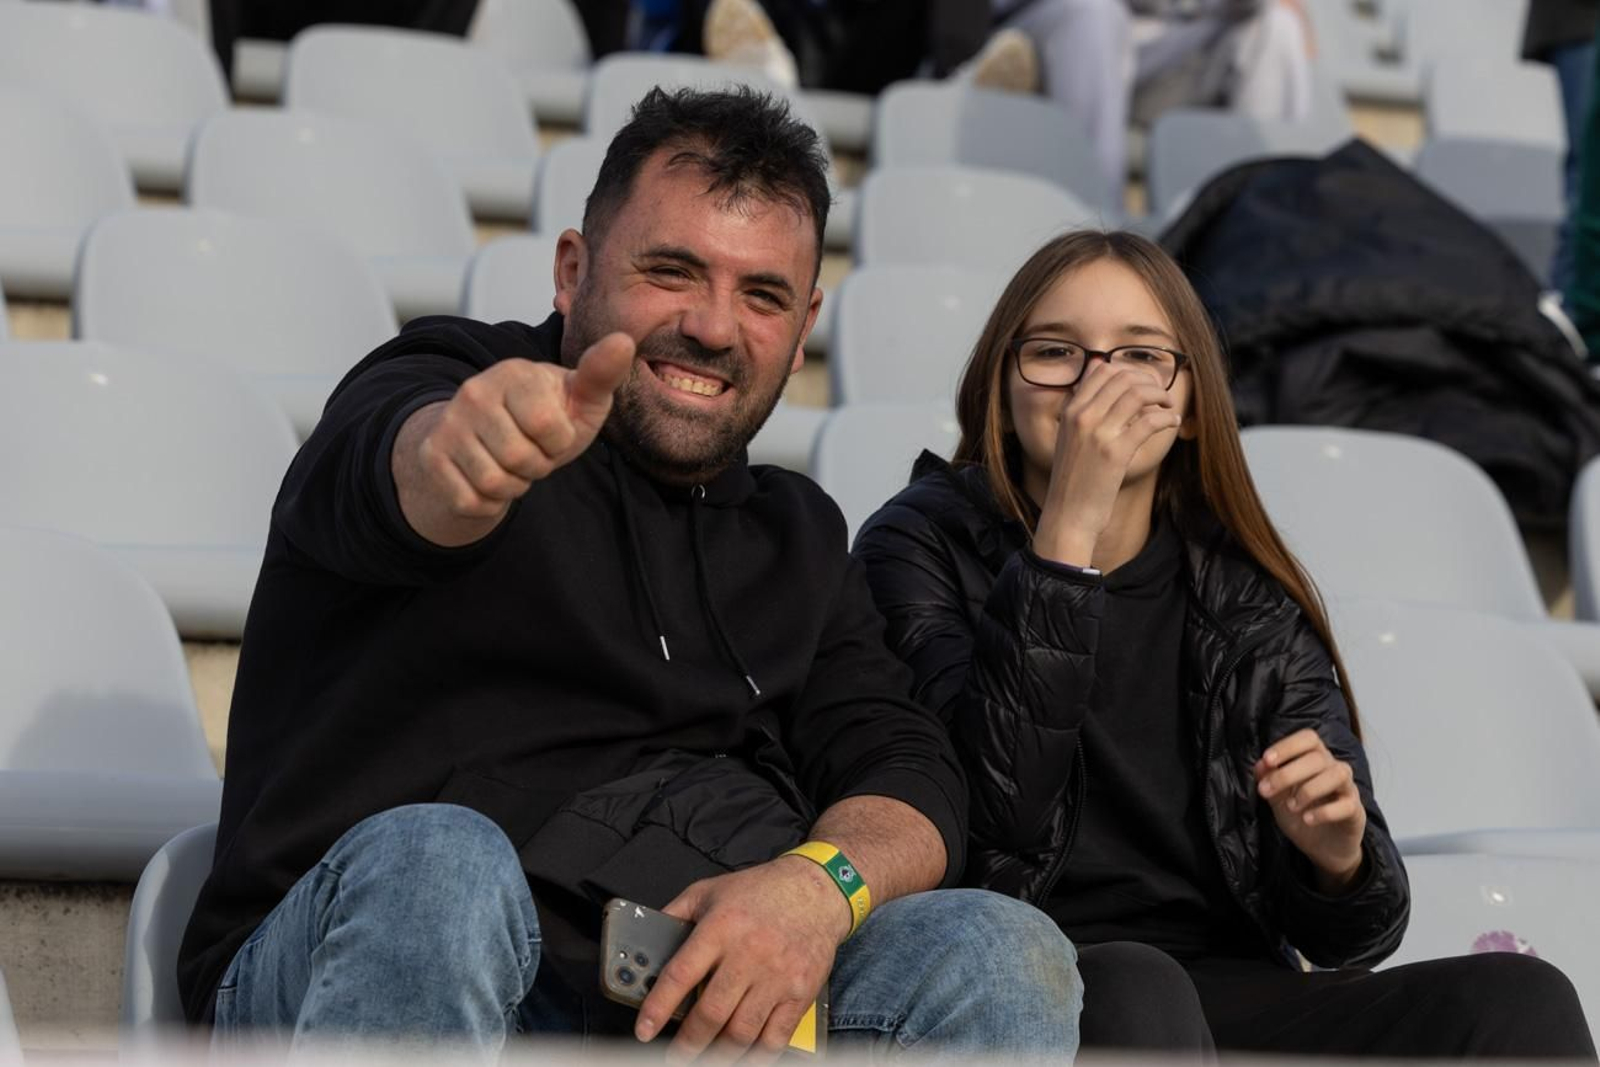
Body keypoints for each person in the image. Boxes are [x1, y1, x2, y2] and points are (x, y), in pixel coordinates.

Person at [175, 87, 1083, 1060]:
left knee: (997, 948)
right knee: (441, 862)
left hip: (655, 992)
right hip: (355, 961)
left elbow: (910, 776)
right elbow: (396, 471)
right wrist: (455, 459)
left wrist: (818, 884)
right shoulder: (449, 379)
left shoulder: (799, 535)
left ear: (806, 319)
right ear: (573, 270)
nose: (713, 325)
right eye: (671, 270)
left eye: (762, 294)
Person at [854, 229, 1598, 1056]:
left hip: (1233, 983)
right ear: (1003, 386)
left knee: (1519, 996)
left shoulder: (1244, 593)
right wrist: (1068, 527)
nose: (1097, 383)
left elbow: (1360, 932)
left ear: (1191, 406)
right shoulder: (918, 543)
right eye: (1057, 351)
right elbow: (987, 823)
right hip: (1021, 977)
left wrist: (1336, 857)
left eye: (1139, 356)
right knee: (1140, 982)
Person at [995, 0, 1314, 192]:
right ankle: (1096, 224)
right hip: (1074, 29)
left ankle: (1265, 220)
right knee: (1095, 14)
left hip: (1169, 47)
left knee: (1277, 25)